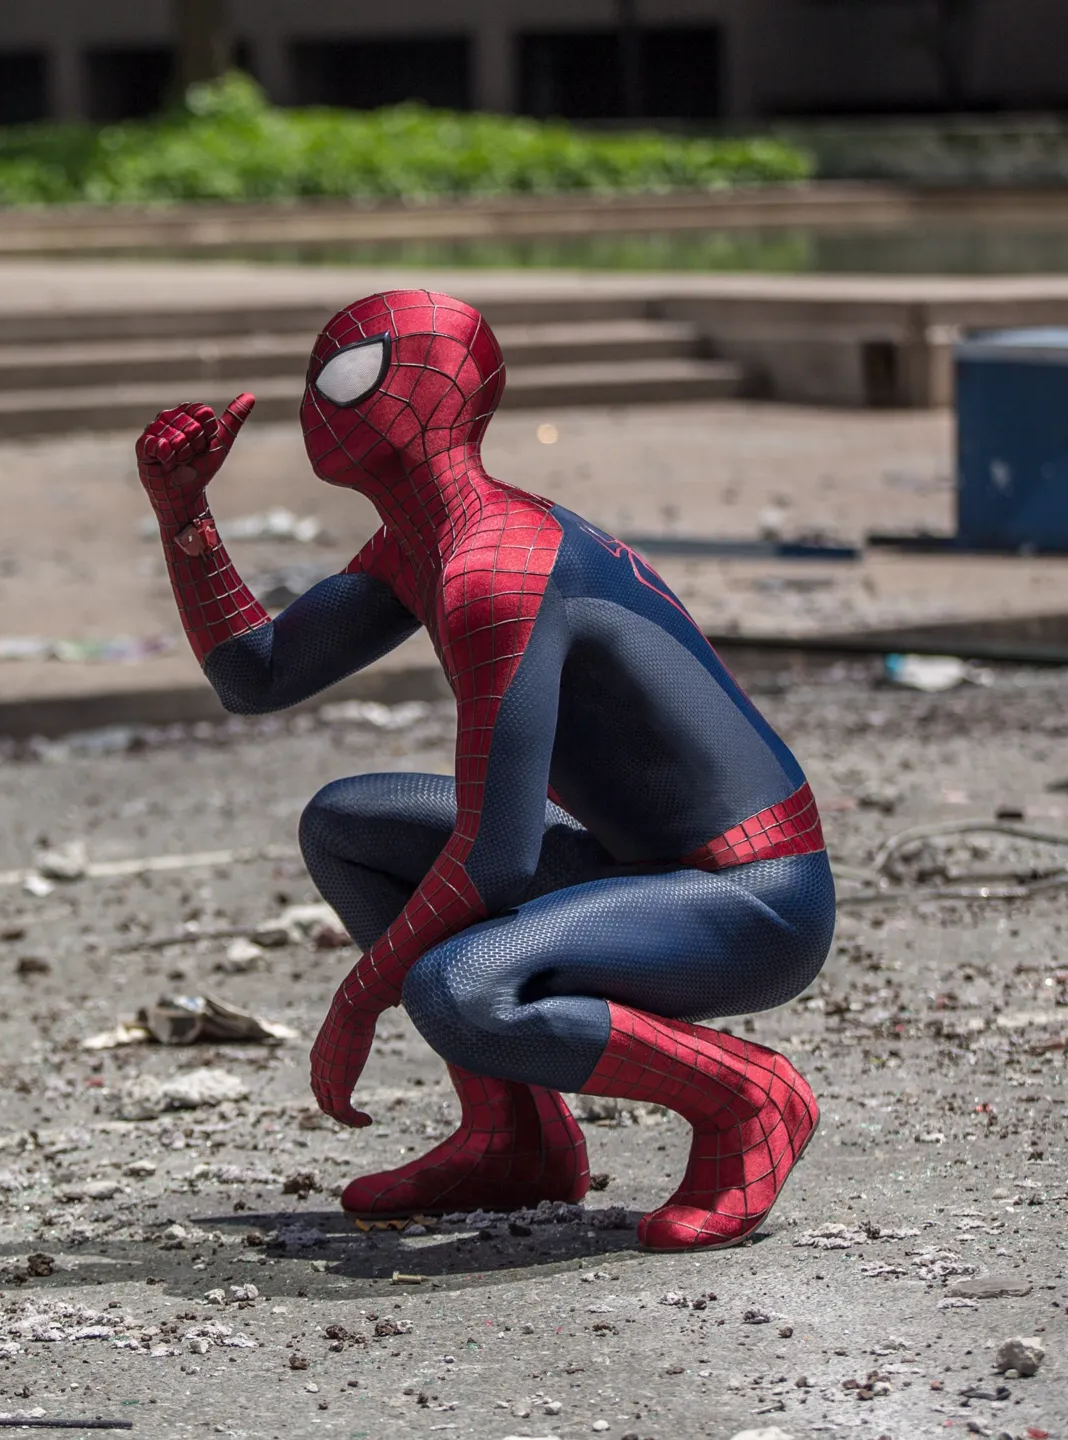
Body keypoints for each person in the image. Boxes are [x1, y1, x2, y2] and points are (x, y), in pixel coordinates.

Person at [133, 290, 833, 1253]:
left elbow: (496, 858)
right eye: (318, 377)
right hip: (642, 872)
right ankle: (515, 1138)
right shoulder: (421, 545)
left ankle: (748, 1097)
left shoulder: (493, 568)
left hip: (755, 898)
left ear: (436, 394)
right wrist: (184, 515)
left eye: (351, 376)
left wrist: (359, 999)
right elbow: (257, 677)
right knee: (347, 826)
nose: (320, 405)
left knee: (461, 988)